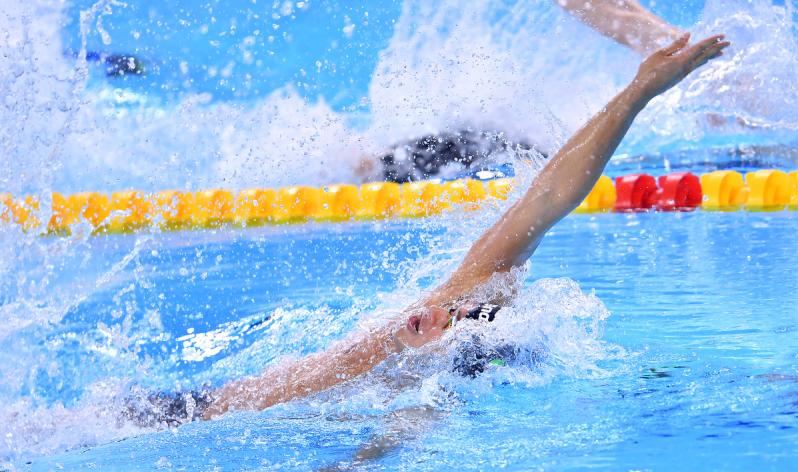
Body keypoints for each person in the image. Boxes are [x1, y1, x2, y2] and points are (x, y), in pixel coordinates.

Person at [125, 32, 729, 428]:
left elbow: (379, 452)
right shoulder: (450, 304)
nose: (437, 316)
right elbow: (549, 195)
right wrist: (638, 92)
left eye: (454, 325)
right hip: (203, 400)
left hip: (203, 418)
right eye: (458, 310)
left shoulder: (417, 395)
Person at [356, 0, 682, 184]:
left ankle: (360, 164)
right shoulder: (690, 51)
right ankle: (361, 165)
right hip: (533, 150)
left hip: (530, 148)